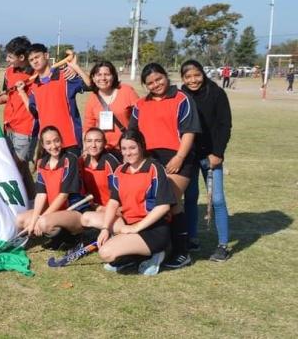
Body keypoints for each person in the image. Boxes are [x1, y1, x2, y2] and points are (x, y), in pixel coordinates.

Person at [128, 62, 201, 269]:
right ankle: (157, 248)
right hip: (150, 159)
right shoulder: (140, 104)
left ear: (166, 77)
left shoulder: (182, 99)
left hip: (178, 159)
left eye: (159, 79)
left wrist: (179, 157)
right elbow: (133, 134)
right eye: (150, 82)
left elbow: (189, 132)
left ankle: (182, 252)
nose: (156, 84)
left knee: (170, 201)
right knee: (149, 203)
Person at [97, 129, 175, 276]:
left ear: (141, 146)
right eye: (124, 149)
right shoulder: (120, 170)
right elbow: (113, 202)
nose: (128, 153)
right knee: (89, 217)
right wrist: (105, 228)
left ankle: (158, 252)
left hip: (153, 229)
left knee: (106, 253)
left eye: (132, 148)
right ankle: (130, 255)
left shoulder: (154, 168)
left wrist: (136, 227)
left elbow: (164, 206)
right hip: (129, 224)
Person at [180, 60, 233, 261]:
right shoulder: (180, 95)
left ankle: (223, 245)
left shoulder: (217, 94)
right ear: (183, 78)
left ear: (203, 74)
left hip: (211, 156)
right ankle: (192, 238)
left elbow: (224, 125)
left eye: (197, 75)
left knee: (217, 199)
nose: (193, 80)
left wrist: (218, 153)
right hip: (189, 156)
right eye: (188, 77)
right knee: (191, 197)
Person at [16, 126, 84, 250]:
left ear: (61, 140)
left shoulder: (70, 159)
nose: (53, 145)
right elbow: (41, 195)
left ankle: (73, 239)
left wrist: (39, 219)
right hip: (54, 210)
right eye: (48, 143)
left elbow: (64, 195)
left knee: (43, 223)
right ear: (43, 145)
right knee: (20, 220)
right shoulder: (42, 163)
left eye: (56, 140)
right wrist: (33, 221)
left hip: (73, 210)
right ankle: (57, 238)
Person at [0, 36, 38, 198]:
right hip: (9, 125)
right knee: (22, 169)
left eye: (10, 56)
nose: (7, 59)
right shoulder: (9, 72)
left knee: (16, 168)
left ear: (22, 58)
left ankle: (14, 203)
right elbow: (8, 95)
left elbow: (37, 106)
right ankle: (32, 201)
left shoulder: (38, 75)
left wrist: (24, 90)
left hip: (26, 128)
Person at [23, 44, 88, 156]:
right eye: (31, 60)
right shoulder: (35, 85)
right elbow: (33, 111)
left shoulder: (65, 76)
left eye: (37, 57)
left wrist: (76, 68)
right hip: (48, 143)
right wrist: (21, 92)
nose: (34, 61)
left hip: (70, 141)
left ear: (46, 55)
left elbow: (90, 85)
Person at [82, 61, 139, 152]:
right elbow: (88, 127)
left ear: (113, 76)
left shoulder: (126, 91)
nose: (103, 78)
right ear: (93, 78)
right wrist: (86, 150)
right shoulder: (92, 98)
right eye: (99, 75)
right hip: (103, 149)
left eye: (107, 74)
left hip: (127, 147)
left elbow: (141, 115)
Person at [78, 128, 122, 230]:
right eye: (89, 141)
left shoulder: (111, 163)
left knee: (86, 218)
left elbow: (119, 197)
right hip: (92, 207)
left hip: (113, 210)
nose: (93, 145)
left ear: (105, 143)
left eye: (98, 141)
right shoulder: (81, 161)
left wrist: (101, 208)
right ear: (84, 143)